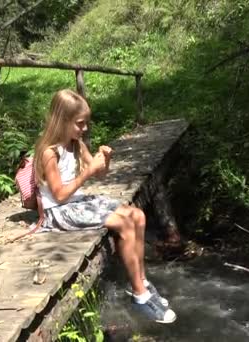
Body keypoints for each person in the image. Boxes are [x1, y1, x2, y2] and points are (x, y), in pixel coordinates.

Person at [33, 89, 176, 324]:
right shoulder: (49, 153)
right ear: (62, 121)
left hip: (76, 202)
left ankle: (140, 281)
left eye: (86, 123)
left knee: (137, 215)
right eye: (80, 124)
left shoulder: (76, 144)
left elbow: (100, 175)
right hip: (59, 212)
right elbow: (58, 196)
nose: (85, 129)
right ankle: (140, 295)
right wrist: (87, 172)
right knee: (122, 223)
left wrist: (104, 160)